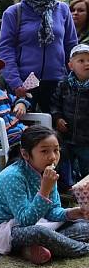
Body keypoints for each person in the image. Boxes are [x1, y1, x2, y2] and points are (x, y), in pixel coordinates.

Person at [0, 125, 89, 264]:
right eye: (44, 151)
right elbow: (26, 220)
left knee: (84, 225)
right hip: (5, 231)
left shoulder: (47, 171)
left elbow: (52, 211)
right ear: (26, 154)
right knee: (39, 233)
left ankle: (36, 247)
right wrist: (44, 190)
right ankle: (82, 248)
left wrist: (75, 213)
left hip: (40, 222)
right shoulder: (13, 177)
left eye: (56, 150)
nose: (53, 157)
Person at [0, 0, 78, 113]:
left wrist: (72, 77)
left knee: (58, 128)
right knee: (23, 131)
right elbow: (6, 50)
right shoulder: (14, 12)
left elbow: (71, 46)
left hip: (58, 81)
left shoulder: (63, 9)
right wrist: (15, 82)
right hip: (24, 81)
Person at [52, 44, 89, 188]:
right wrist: (58, 118)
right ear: (71, 65)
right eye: (81, 60)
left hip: (86, 138)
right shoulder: (64, 84)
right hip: (66, 136)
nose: (87, 63)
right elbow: (55, 104)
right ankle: (66, 188)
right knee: (64, 162)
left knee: (86, 165)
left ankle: (85, 191)